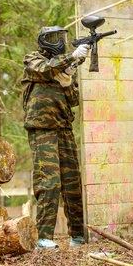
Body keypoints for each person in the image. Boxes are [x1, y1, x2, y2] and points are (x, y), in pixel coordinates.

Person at [21, 25, 90, 248]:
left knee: (72, 183)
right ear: (43, 40)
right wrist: (72, 57)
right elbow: (43, 70)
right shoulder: (33, 58)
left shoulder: (63, 66)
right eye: (53, 37)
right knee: (49, 182)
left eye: (60, 37)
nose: (58, 41)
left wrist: (68, 81)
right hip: (42, 130)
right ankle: (43, 237)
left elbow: (73, 100)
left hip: (64, 129)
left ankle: (78, 235)